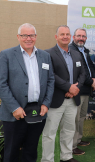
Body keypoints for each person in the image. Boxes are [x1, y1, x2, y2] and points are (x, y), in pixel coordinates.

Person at [0, 23, 54, 162]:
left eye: (31, 35)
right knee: (11, 151)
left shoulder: (45, 56)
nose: (28, 38)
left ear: (36, 37)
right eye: (24, 35)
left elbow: (50, 81)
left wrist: (46, 104)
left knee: (31, 149)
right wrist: (14, 107)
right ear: (18, 37)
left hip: (38, 112)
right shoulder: (6, 55)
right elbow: (2, 84)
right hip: (14, 114)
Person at [41, 25, 85, 162]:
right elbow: (50, 75)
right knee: (50, 133)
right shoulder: (48, 54)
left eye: (67, 34)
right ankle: (47, 159)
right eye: (62, 34)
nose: (65, 36)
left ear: (70, 36)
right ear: (56, 37)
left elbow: (83, 73)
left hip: (72, 100)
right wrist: (68, 87)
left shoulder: (77, 54)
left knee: (69, 130)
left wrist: (75, 89)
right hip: (55, 100)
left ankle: (66, 157)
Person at [69, 28, 95, 155]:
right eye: (79, 36)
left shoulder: (84, 51)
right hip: (77, 90)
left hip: (86, 90)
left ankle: (78, 140)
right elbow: (80, 71)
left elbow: (90, 67)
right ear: (73, 37)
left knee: (81, 117)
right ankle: (72, 146)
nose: (81, 38)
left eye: (83, 36)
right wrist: (91, 81)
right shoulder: (71, 50)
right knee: (75, 119)